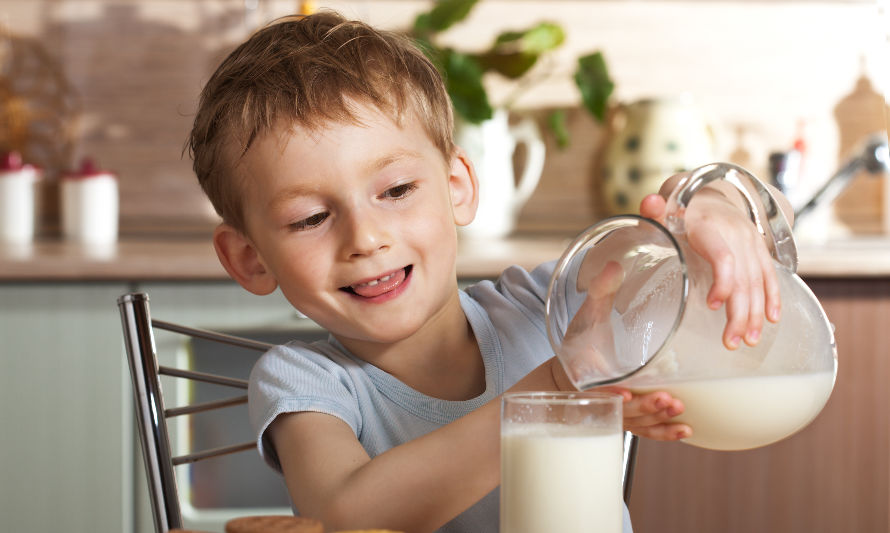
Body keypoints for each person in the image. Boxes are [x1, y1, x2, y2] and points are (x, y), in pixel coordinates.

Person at [187, 11, 789, 533]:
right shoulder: (305, 384)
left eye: (396, 190)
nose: (365, 238)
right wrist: (555, 389)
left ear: (457, 188)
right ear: (250, 258)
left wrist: (717, 212)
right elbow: (345, 518)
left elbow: (732, 231)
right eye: (311, 217)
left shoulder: (545, 303)